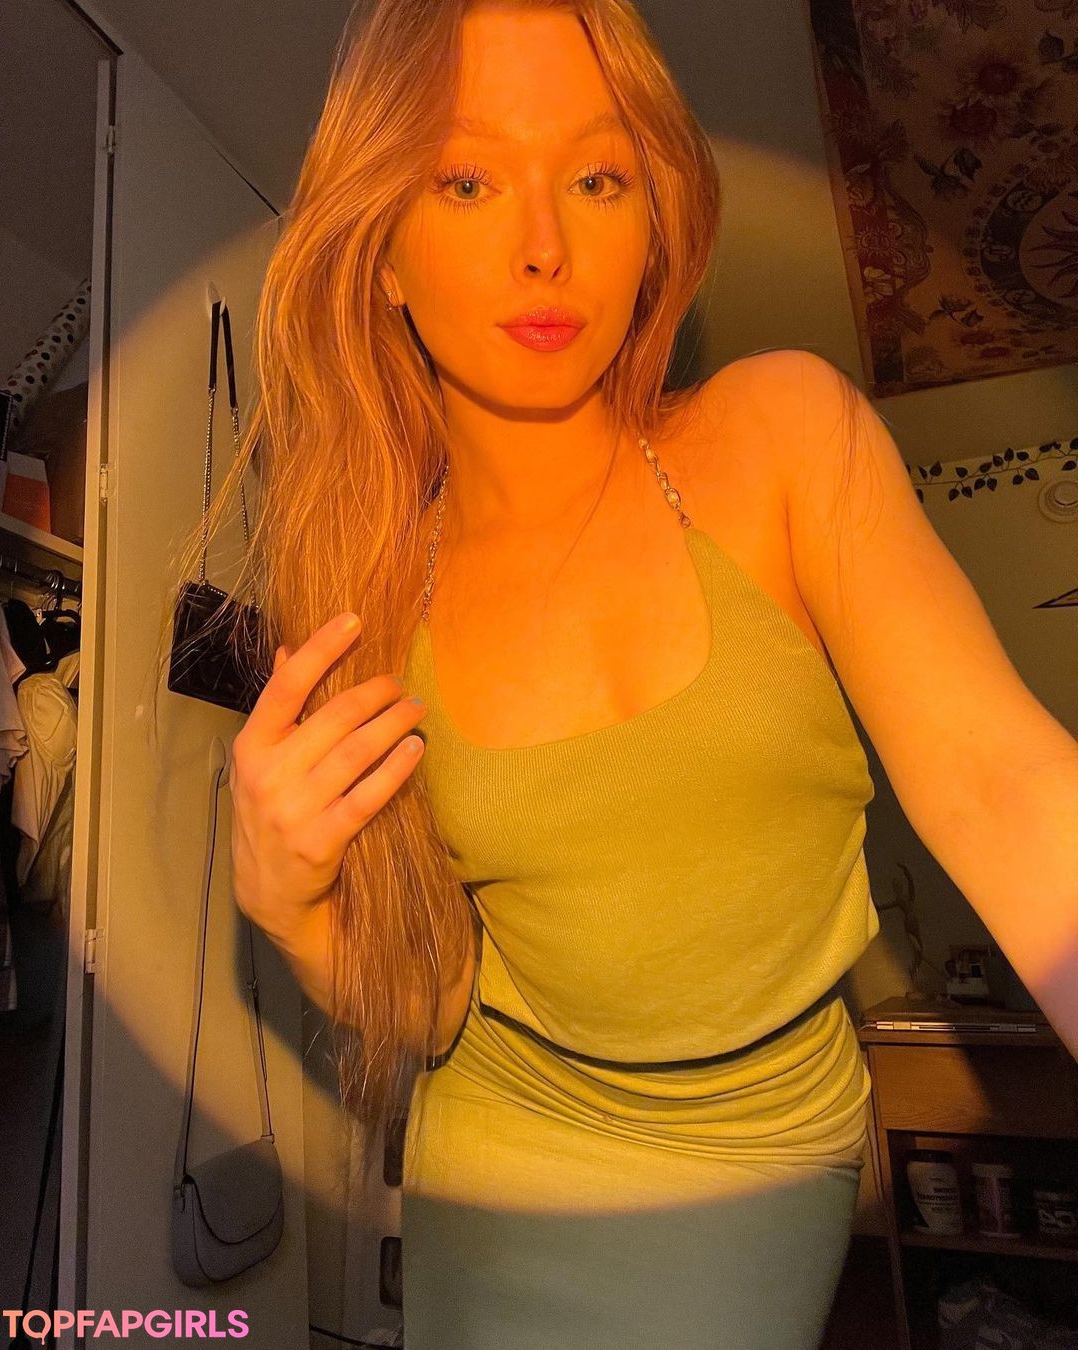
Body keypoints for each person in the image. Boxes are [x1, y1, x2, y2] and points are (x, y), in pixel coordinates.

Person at [221, 1, 1078, 1346]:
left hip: (764, 1166)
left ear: (653, 222)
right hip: (499, 1153)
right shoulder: (373, 602)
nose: (544, 244)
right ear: (381, 249)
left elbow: (1003, 784)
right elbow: (432, 1005)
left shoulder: (784, 433)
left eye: (598, 178)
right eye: (466, 181)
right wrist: (286, 903)